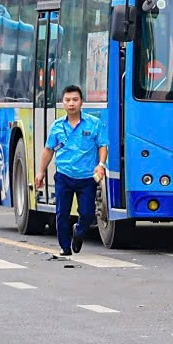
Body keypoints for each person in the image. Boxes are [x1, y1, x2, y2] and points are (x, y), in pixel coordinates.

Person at [43, 84, 107, 264]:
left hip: (87, 177)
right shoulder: (57, 126)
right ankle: (65, 247)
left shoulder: (94, 124)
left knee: (87, 213)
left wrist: (101, 164)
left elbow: (102, 145)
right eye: (67, 100)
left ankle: (78, 231)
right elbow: (48, 150)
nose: (71, 103)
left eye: (75, 100)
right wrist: (41, 172)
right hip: (64, 175)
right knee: (61, 213)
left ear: (81, 102)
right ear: (63, 103)